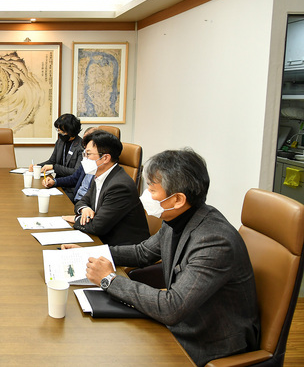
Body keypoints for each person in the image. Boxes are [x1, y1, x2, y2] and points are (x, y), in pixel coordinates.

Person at [65, 149, 261, 367]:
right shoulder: (179, 217)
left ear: (177, 199)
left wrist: (109, 279)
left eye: (151, 189)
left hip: (211, 339)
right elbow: (142, 252)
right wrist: (91, 252)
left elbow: (172, 307)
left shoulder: (214, 241)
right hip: (185, 319)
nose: (145, 196)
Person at [72, 130, 149, 245]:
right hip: (102, 238)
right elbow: (82, 201)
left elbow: (97, 227)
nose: (84, 158)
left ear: (105, 158)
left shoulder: (119, 186)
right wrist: (84, 209)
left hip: (122, 248)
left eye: (88, 154)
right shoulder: (100, 175)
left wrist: (75, 219)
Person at [29, 113, 83, 200]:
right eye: (58, 130)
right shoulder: (60, 142)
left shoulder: (81, 146)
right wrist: (37, 166)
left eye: (62, 130)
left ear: (70, 130)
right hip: (56, 184)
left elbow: (75, 172)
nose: (59, 132)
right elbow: (52, 161)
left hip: (70, 188)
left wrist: (54, 167)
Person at [43, 127, 96, 203]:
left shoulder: (101, 167)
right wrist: (54, 182)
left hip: (82, 204)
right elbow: (74, 178)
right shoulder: (87, 159)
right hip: (77, 199)